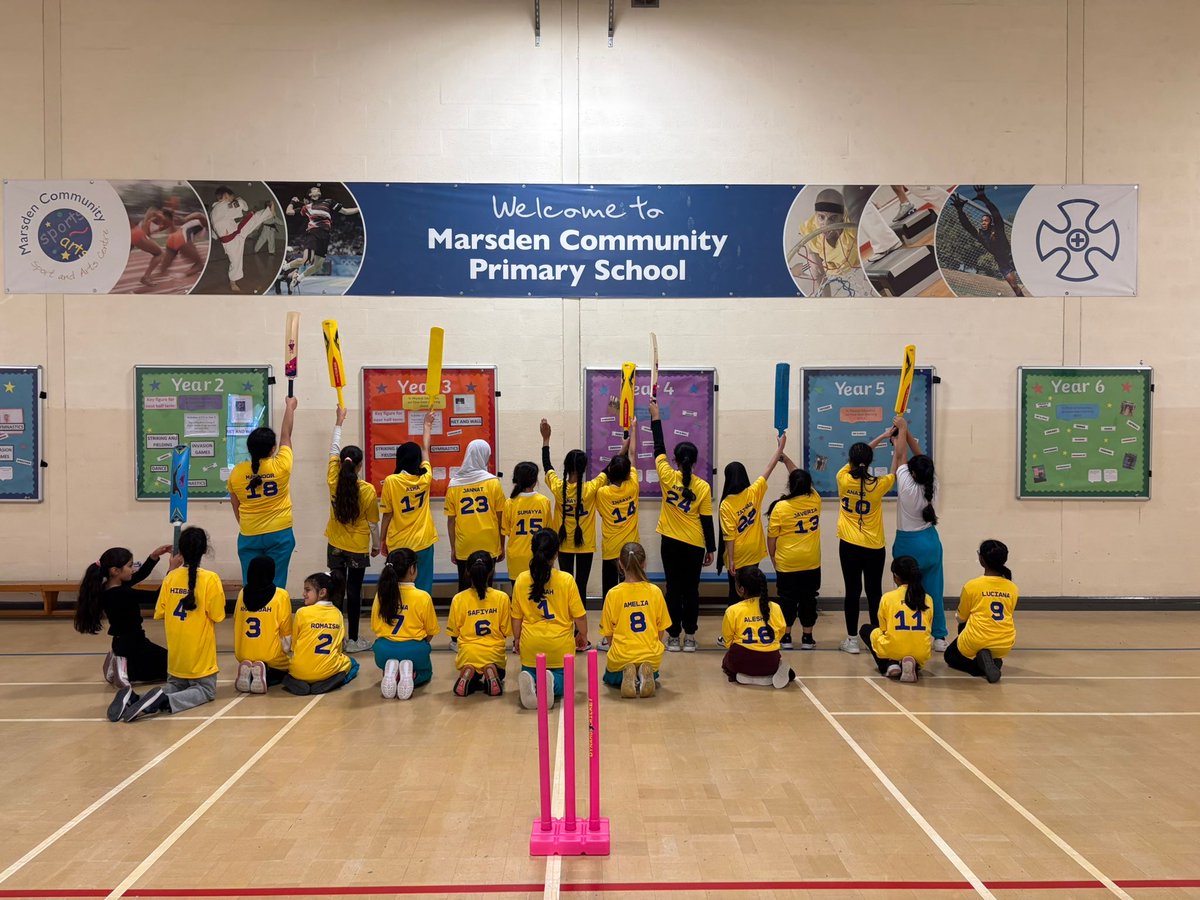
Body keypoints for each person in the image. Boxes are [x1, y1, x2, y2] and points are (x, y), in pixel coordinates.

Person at [110, 528, 225, 723]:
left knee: (176, 685)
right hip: (199, 655)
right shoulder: (210, 579)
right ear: (204, 551)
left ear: (181, 551)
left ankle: (135, 698)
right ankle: (162, 702)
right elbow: (218, 615)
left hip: (175, 653)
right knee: (205, 690)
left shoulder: (170, 577)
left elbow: (160, 611)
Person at [649, 396, 715, 652]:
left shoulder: (667, 476)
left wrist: (656, 416)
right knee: (692, 591)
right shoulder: (703, 486)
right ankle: (690, 637)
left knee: (673, 590)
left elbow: (658, 447)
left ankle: (673, 636)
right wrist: (710, 549)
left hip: (671, 544)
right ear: (695, 462)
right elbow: (706, 520)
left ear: (676, 461)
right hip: (694, 545)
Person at [837, 430, 904, 655]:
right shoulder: (878, 484)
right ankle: (876, 637)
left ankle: (852, 640)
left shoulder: (843, 478)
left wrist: (881, 436)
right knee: (874, 592)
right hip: (874, 547)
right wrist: (893, 446)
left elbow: (862, 455)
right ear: (870, 462)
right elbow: (895, 470)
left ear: (851, 461)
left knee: (852, 591)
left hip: (849, 544)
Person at [74, 542, 174, 688]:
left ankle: (119, 659)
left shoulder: (110, 587)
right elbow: (157, 597)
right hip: (134, 646)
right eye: (129, 566)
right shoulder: (122, 593)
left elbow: (140, 575)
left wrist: (154, 556)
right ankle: (124, 668)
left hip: (123, 642)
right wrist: (172, 570)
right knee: (175, 668)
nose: (133, 570)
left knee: (170, 664)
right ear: (115, 570)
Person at [511, 529, 589, 710]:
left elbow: (516, 617)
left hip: (531, 646)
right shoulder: (566, 580)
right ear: (556, 553)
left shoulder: (522, 579)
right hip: (559, 646)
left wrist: (516, 638)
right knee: (564, 681)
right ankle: (551, 684)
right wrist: (582, 635)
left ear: (532, 550)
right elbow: (580, 616)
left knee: (530, 670)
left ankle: (531, 679)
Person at [327, 405, 382, 652]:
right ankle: (353, 640)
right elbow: (372, 523)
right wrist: (377, 545)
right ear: (359, 466)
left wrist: (339, 422)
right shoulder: (368, 490)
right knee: (354, 591)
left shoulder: (332, 480)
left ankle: (336, 638)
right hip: (358, 547)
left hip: (335, 545)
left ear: (341, 464)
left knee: (337, 589)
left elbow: (333, 448)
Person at [228, 395, 297, 590]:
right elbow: (286, 436)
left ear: (249, 449)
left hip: (249, 532)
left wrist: (246, 524)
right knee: (277, 582)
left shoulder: (237, 472)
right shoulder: (281, 465)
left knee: (251, 583)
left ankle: (251, 616)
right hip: (280, 533)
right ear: (273, 448)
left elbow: (235, 504)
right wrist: (290, 407)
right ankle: (274, 617)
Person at [890, 416, 946, 651]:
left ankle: (907, 631)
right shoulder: (932, 482)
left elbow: (902, 456)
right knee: (934, 590)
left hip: (908, 544)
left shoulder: (907, 485)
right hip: (931, 542)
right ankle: (940, 637)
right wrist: (906, 429)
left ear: (912, 473)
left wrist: (901, 432)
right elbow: (919, 457)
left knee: (906, 591)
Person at [717, 433, 787, 619]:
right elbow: (769, 468)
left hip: (737, 555)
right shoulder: (753, 492)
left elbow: (729, 536)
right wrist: (780, 448)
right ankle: (754, 621)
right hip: (754, 552)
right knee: (752, 591)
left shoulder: (726, 504)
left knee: (736, 593)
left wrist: (731, 560)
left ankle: (734, 627)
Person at [540, 419, 605, 600]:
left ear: (567, 467)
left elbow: (547, 466)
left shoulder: (558, 486)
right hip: (586, 543)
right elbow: (610, 468)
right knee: (581, 585)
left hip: (563, 543)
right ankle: (580, 624)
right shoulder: (591, 488)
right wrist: (625, 446)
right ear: (584, 468)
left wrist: (546, 440)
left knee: (566, 583)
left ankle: (567, 621)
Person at [599, 542, 670, 698]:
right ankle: (642, 675)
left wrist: (615, 650)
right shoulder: (655, 592)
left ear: (620, 564)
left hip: (623, 655)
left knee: (609, 676)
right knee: (653, 673)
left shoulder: (613, 594)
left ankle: (629, 675)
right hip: (650, 655)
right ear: (644, 564)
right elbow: (661, 629)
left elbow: (608, 633)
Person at [371, 548, 440, 700]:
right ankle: (412, 674)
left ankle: (391, 673)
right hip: (414, 650)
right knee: (426, 672)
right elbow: (431, 631)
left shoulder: (381, 595)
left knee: (388, 656)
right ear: (412, 569)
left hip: (384, 651)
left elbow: (375, 627)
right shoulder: (422, 597)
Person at [379, 412, 436, 595]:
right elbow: (426, 449)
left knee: (398, 588)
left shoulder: (391, 481)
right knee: (423, 587)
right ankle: (422, 620)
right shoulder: (425, 478)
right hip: (423, 541)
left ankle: (399, 619)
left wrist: (381, 540)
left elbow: (387, 514)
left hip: (398, 543)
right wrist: (427, 426)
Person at [945, 540, 1018, 683]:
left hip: (977, 640)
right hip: (1005, 643)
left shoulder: (972, 586)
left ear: (981, 559)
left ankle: (980, 666)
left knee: (950, 656)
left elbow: (961, 618)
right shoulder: (1012, 587)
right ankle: (994, 661)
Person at [766, 462, 820, 650]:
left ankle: (786, 637)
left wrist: (773, 558)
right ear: (808, 485)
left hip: (787, 562)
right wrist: (787, 459)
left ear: (790, 485)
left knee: (786, 599)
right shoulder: (815, 499)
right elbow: (799, 476)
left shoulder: (780, 507)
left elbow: (771, 538)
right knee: (809, 599)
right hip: (811, 561)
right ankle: (807, 638)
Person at [445, 439, 507, 591]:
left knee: (465, 589)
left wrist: (453, 548)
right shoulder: (493, 482)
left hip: (464, 544)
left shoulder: (454, 484)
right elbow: (501, 519)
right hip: (489, 542)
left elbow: (451, 521)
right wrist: (501, 546)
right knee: (487, 588)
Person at [447, 551, 511, 697]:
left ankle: (470, 669)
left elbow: (454, 633)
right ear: (491, 571)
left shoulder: (459, 598)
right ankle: (490, 668)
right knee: (500, 674)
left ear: (468, 572)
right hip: (493, 653)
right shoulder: (502, 597)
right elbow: (506, 631)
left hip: (468, 653)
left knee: (474, 680)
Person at [284, 571, 359, 695]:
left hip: (299, 671)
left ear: (322, 592)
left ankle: (297, 682)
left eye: (307, 590)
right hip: (326, 671)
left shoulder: (302, 612)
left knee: (289, 666)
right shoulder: (338, 614)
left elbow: (294, 645)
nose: (303, 594)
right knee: (353, 664)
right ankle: (330, 682)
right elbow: (338, 648)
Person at [859, 556, 932, 683]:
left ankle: (888, 664)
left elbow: (883, 629)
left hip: (893, 649)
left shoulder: (888, 598)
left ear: (896, 577)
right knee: (916, 643)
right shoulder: (927, 599)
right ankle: (913, 665)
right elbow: (928, 627)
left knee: (866, 630)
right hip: (921, 652)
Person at [720, 566, 793, 689]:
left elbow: (728, 641)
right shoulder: (775, 607)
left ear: (741, 589)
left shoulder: (733, 610)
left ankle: (741, 676)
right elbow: (780, 633)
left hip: (741, 662)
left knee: (726, 661)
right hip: (770, 662)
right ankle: (774, 672)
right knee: (774, 659)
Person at [282, 185, 360, 290]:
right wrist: (292, 201)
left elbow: (345, 211)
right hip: (313, 233)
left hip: (325, 235)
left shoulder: (328, 202)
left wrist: (359, 208)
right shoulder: (306, 207)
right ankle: (284, 267)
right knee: (306, 261)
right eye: (313, 189)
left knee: (317, 266)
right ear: (310, 194)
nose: (316, 189)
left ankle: (298, 279)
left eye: (317, 189)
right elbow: (288, 212)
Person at [951, 185, 1025, 296]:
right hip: (1002, 262)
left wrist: (985, 199)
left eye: (986, 220)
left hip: (1012, 256)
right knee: (1014, 286)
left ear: (990, 222)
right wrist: (960, 211)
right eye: (982, 220)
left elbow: (997, 215)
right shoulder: (980, 234)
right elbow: (967, 226)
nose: (983, 222)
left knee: (1031, 275)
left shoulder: (998, 229)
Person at [233, 556, 292, 694]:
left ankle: (251, 672)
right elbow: (286, 632)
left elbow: (236, 620)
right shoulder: (281, 595)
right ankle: (266, 675)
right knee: (290, 670)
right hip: (270, 655)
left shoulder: (242, 593)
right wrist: (286, 651)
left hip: (243, 654)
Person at [595, 426, 639, 603]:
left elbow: (604, 474)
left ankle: (610, 621)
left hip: (611, 548)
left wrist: (621, 448)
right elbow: (633, 455)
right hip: (631, 547)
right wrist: (634, 429)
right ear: (628, 473)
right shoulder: (633, 485)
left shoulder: (602, 493)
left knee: (610, 591)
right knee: (630, 587)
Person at [208, 186, 276, 293]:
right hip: (231, 240)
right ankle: (232, 282)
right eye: (231, 197)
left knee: (250, 221)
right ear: (226, 196)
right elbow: (243, 206)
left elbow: (215, 227)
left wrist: (214, 236)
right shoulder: (223, 206)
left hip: (235, 233)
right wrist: (239, 199)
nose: (232, 199)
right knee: (235, 262)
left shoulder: (215, 211)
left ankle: (268, 212)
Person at [503, 461, 551, 587]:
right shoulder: (544, 501)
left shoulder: (510, 503)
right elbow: (548, 530)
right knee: (539, 594)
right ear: (535, 480)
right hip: (539, 555)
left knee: (518, 596)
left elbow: (506, 531)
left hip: (516, 556)